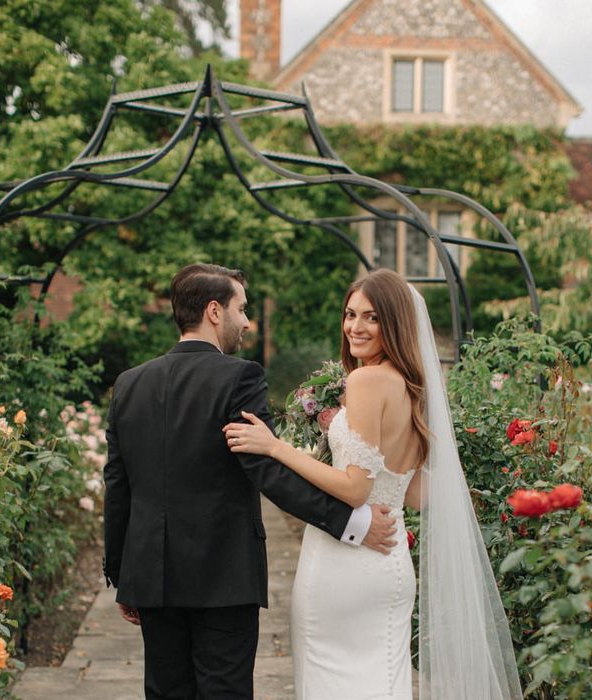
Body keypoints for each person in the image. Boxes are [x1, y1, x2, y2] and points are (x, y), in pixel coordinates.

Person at [103, 263, 397, 700]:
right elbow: (269, 474)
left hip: (151, 575)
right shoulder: (239, 377)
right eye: (241, 309)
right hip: (223, 575)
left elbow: (118, 484)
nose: (246, 322)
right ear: (215, 311)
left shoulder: (129, 384)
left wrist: (121, 572)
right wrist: (351, 523)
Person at [224, 268, 523, 699]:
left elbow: (354, 489)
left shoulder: (366, 380)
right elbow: (415, 494)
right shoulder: (410, 387)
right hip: (391, 564)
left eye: (372, 318)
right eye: (350, 314)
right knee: (384, 682)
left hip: (343, 563)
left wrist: (276, 448)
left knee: (330, 683)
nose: (355, 327)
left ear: (396, 323)